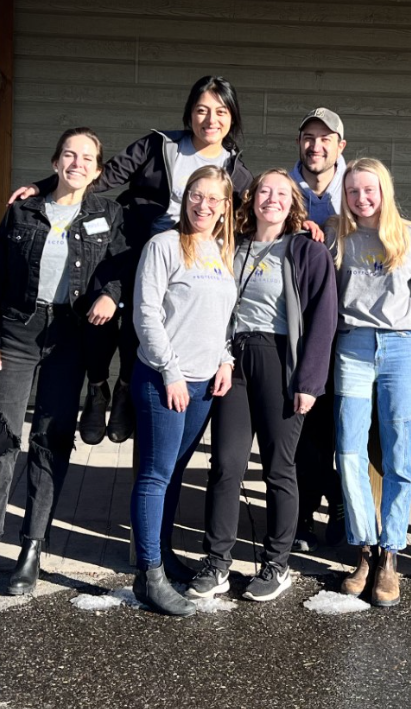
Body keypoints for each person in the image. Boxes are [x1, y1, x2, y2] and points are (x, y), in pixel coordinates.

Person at [10, 76, 253, 445]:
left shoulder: (235, 171)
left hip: (184, 263)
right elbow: (102, 176)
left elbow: (257, 209)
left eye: (221, 112)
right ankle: (97, 388)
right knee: (98, 312)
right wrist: (44, 186)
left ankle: (124, 389)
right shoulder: (159, 145)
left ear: (232, 117)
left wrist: (304, 226)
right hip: (133, 246)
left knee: (140, 327)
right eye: (202, 110)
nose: (211, 119)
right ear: (189, 113)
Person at [0, 127, 128, 595]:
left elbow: (122, 266)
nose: (77, 163)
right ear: (55, 162)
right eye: (69, 154)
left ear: (97, 169)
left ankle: (31, 547)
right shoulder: (24, 209)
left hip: (70, 337)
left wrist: (110, 294)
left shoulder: (109, 214)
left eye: (87, 157)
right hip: (18, 332)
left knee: (51, 438)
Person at [188, 169, 337, 602]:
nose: (272, 198)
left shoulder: (306, 250)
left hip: (279, 360)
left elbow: (324, 319)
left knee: (278, 468)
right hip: (231, 362)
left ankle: (276, 564)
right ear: (251, 199)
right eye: (265, 191)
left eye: (282, 193)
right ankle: (217, 563)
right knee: (226, 464)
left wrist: (310, 381)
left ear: (293, 204)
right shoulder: (230, 244)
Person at [129, 165, 236, 616]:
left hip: (203, 383)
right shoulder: (164, 245)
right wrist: (170, 372)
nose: (203, 205)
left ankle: (162, 553)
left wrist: (225, 358)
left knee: (173, 471)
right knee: (155, 474)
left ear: (225, 206)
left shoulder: (222, 251)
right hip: (164, 379)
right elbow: (146, 313)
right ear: (185, 197)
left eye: (213, 198)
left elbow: (222, 318)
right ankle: (148, 574)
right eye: (196, 195)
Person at [331, 158, 411, 608]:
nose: (361, 198)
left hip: (400, 347)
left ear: (384, 190)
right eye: (353, 191)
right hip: (352, 345)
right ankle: (365, 548)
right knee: (350, 450)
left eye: (369, 189)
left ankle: (391, 552)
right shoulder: (336, 235)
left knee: (397, 451)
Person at [289, 108, 348, 552]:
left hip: (349, 324)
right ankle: (305, 510)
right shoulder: (282, 188)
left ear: (340, 146)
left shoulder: (357, 185)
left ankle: (344, 506)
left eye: (326, 138)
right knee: (303, 424)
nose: (316, 146)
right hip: (297, 323)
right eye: (309, 137)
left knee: (343, 423)